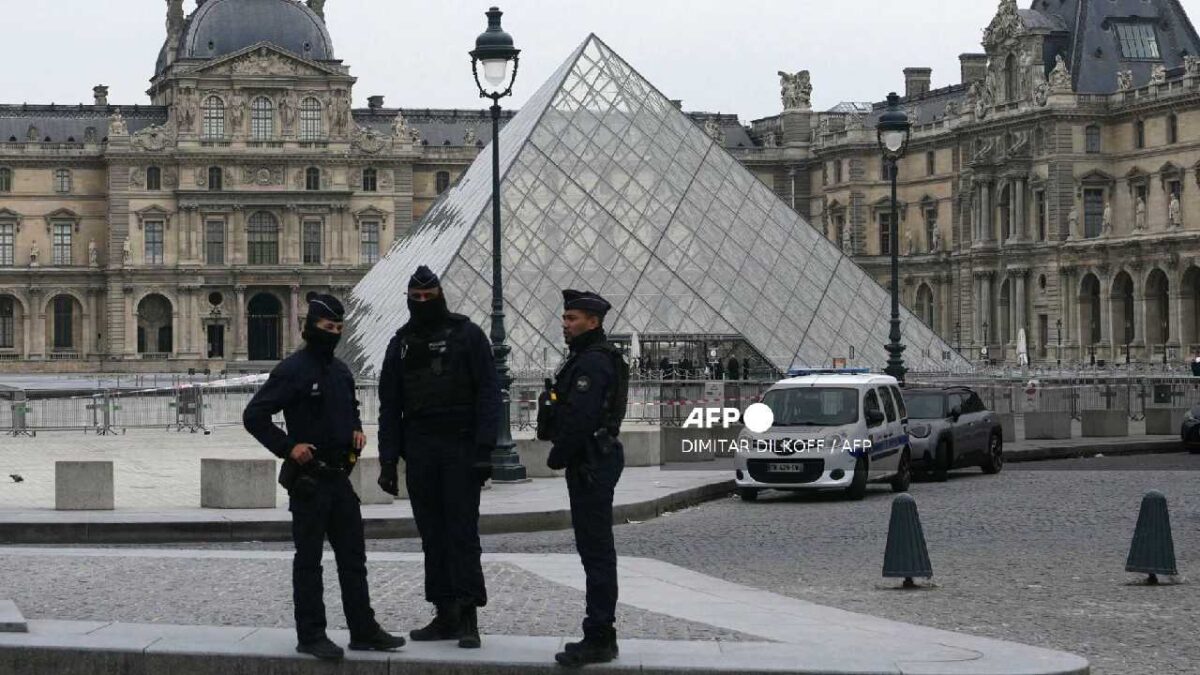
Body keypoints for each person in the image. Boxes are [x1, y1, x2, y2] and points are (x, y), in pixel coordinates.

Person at [243, 295, 405, 661]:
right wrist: (288, 447)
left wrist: (357, 431)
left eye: (337, 329)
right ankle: (311, 633)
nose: (332, 334)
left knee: (353, 557)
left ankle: (363, 629)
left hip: (339, 478)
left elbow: (351, 409)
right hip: (310, 480)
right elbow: (254, 415)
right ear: (310, 327)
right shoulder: (292, 369)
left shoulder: (342, 371)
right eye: (326, 328)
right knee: (309, 560)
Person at [376, 266, 500, 649]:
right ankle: (444, 611)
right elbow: (389, 406)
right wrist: (387, 461)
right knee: (432, 535)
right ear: (410, 300)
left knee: (462, 532)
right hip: (421, 448)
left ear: (441, 295)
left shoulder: (468, 335)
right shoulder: (400, 344)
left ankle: (468, 615)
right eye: (418, 299)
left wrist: (484, 452)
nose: (424, 304)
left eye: (430, 297)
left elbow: (488, 396)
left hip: (460, 447)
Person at [537, 290, 629, 667]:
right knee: (595, 550)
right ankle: (600, 632)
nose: (565, 323)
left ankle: (600, 636)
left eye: (572, 318)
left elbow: (580, 419)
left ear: (593, 321)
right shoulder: (590, 359)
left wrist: (557, 456)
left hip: (590, 462)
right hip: (594, 459)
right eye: (565, 317)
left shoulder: (591, 363)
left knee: (596, 552)